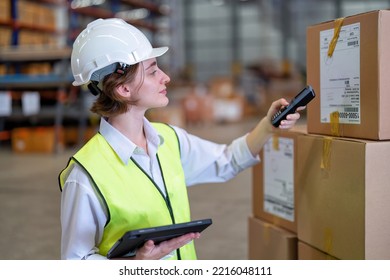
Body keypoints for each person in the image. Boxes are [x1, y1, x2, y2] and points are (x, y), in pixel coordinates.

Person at [58, 18, 303, 260]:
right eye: (153, 71)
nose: (166, 77)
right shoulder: (86, 175)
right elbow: (76, 262)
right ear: (123, 89)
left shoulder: (169, 140)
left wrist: (269, 125)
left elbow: (227, 160)